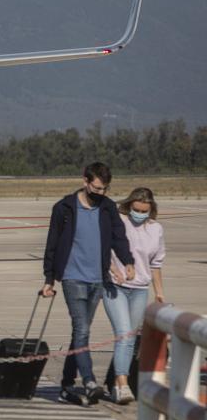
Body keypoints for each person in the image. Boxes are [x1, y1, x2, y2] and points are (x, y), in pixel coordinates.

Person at [41, 162, 135, 406]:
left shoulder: (107, 208)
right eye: (97, 187)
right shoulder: (63, 208)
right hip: (72, 278)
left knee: (79, 333)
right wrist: (49, 279)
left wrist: (127, 261)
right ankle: (90, 380)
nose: (101, 193)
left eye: (104, 189)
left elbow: (118, 237)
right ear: (85, 181)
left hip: (98, 280)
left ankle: (66, 383)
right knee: (82, 329)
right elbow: (52, 244)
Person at [105, 187, 165, 405]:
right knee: (123, 333)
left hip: (140, 288)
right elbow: (105, 248)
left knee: (129, 337)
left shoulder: (156, 229)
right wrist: (112, 267)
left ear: (151, 210)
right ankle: (122, 384)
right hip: (115, 285)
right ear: (129, 206)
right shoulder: (118, 221)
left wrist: (159, 292)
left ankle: (116, 383)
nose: (139, 214)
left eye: (144, 211)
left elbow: (156, 264)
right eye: (136, 209)